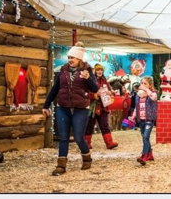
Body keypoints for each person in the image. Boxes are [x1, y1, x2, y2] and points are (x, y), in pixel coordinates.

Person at [42, 42, 98, 176]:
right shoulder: (63, 70)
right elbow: (55, 88)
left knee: (79, 137)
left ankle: (86, 157)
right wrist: (46, 105)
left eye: (73, 57)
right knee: (63, 137)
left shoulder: (87, 71)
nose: (70, 60)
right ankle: (61, 165)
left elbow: (94, 89)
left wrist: (89, 78)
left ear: (79, 59)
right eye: (69, 57)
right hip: (63, 107)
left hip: (81, 108)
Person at [84, 63, 118, 150]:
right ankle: (87, 143)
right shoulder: (91, 80)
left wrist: (110, 93)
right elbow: (87, 92)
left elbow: (110, 90)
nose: (99, 71)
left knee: (104, 125)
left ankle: (109, 143)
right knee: (89, 125)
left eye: (101, 70)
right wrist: (95, 95)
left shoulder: (104, 80)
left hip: (103, 106)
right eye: (98, 70)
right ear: (95, 71)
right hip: (93, 107)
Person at [129, 76, 158, 165]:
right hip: (140, 119)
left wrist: (146, 90)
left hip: (149, 118)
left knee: (146, 136)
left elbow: (153, 98)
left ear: (150, 85)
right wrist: (133, 116)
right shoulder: (138, 95)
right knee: (145, 137)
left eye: (145, 83)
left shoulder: (153, 93)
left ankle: (144, 155)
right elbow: (136, 107)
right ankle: (150, 154)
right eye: (142, 83)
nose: (143, 85)